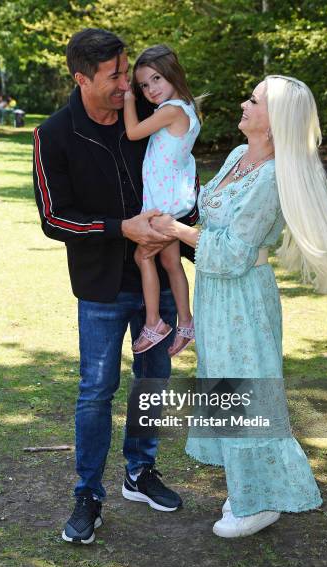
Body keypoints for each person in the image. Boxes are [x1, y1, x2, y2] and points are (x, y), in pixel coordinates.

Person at [150, 76, 327, 538]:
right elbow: (213, 214)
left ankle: (258, 498)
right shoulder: (240, 156)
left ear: (275, 120)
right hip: (215, 292)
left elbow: (234, 251)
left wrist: (176, 231)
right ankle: (250, 486)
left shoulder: (274, 174)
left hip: (242, 292)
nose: (244, 103)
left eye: (254, 100)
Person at [33, 29, 198, 545]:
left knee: (154, 381)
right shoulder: (54, 134)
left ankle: (140, 472)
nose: (128, 83)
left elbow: (176, 187)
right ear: (82, 78)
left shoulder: (151, 119)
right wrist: (119, 227)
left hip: (161, 278)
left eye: (128, 71)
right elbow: (54, 217)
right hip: (102, 285)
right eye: (115, 76)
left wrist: (196, 241)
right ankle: (88, 494)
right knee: (95, 392)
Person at [123, 45, 199, 357]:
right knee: (170, 262)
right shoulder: (186, 106)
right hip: (172, 200)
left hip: (162, 205)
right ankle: (186, 323)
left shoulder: (171, 110)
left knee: (143, 257)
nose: (150, 89)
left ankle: (155, 323)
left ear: (172, 74)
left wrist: (129, 100)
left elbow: (133, 133)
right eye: (142, 85)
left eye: (156, 79)